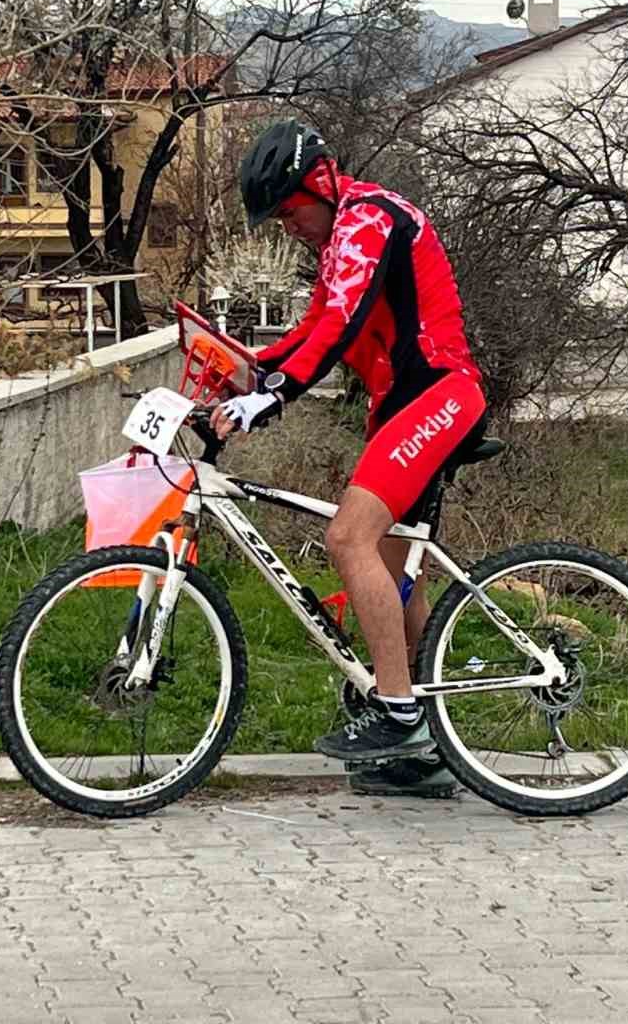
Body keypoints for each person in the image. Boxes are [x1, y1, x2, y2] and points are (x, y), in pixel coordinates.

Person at [209, 119, 487, 799]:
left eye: (288, 212)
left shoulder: (370, 217)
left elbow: (340, 326)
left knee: (346, 535)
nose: (287, 228)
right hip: (403, 405)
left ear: (319, 185)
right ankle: (421, 751)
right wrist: (243, 375)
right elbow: (311, 328)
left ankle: (395, 711)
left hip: (441, 393)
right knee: (396, 583)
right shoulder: (342, 235)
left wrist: (267, 399)